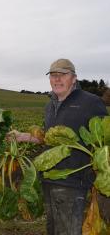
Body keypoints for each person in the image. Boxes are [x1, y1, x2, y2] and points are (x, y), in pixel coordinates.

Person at [9, 58, 108, 235]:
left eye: (63, 75)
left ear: (74, 78)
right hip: (49, 178)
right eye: (53, 75)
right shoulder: (50, 105)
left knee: (69, 230)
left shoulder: (90, 102)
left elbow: (104, 139)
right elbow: (49, 138)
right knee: (53, 228)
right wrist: (22, 136)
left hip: (74, 181)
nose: (57, 79)